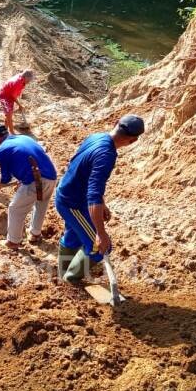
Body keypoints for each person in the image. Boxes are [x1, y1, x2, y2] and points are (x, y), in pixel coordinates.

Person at [54, 114, 145, 284]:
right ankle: (70, 279)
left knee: (73, 235)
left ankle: (63, 274)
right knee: (100, 248)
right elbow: (93, 196)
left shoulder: (96, 136)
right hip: (73, 203)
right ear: (132, 141)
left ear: (115, 123)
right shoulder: (106, 156)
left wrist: (102, 203)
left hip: (64, 192)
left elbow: (80, 169)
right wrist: (101, 233)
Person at [0, 124, 57, 250]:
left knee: (15, 209)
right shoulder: (24, 138)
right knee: (41, 204)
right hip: (51, 176)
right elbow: (30, 158)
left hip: (36, 180)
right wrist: (22, 179)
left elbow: (6, 178)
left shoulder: (2, 149)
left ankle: (13, 242)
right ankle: (35, 234)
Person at [0, 69, 33, 134]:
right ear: (25, 77)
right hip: (4, 96)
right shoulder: (17, 83)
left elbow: (15, 93)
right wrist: (19, 105)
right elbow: (13, 95)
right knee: (9, 114)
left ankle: (5, 129)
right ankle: (12, 132)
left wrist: (19, 104)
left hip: (9, 95)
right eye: (29, 80)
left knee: (9, 114)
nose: (29, 82)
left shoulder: (21, 77)